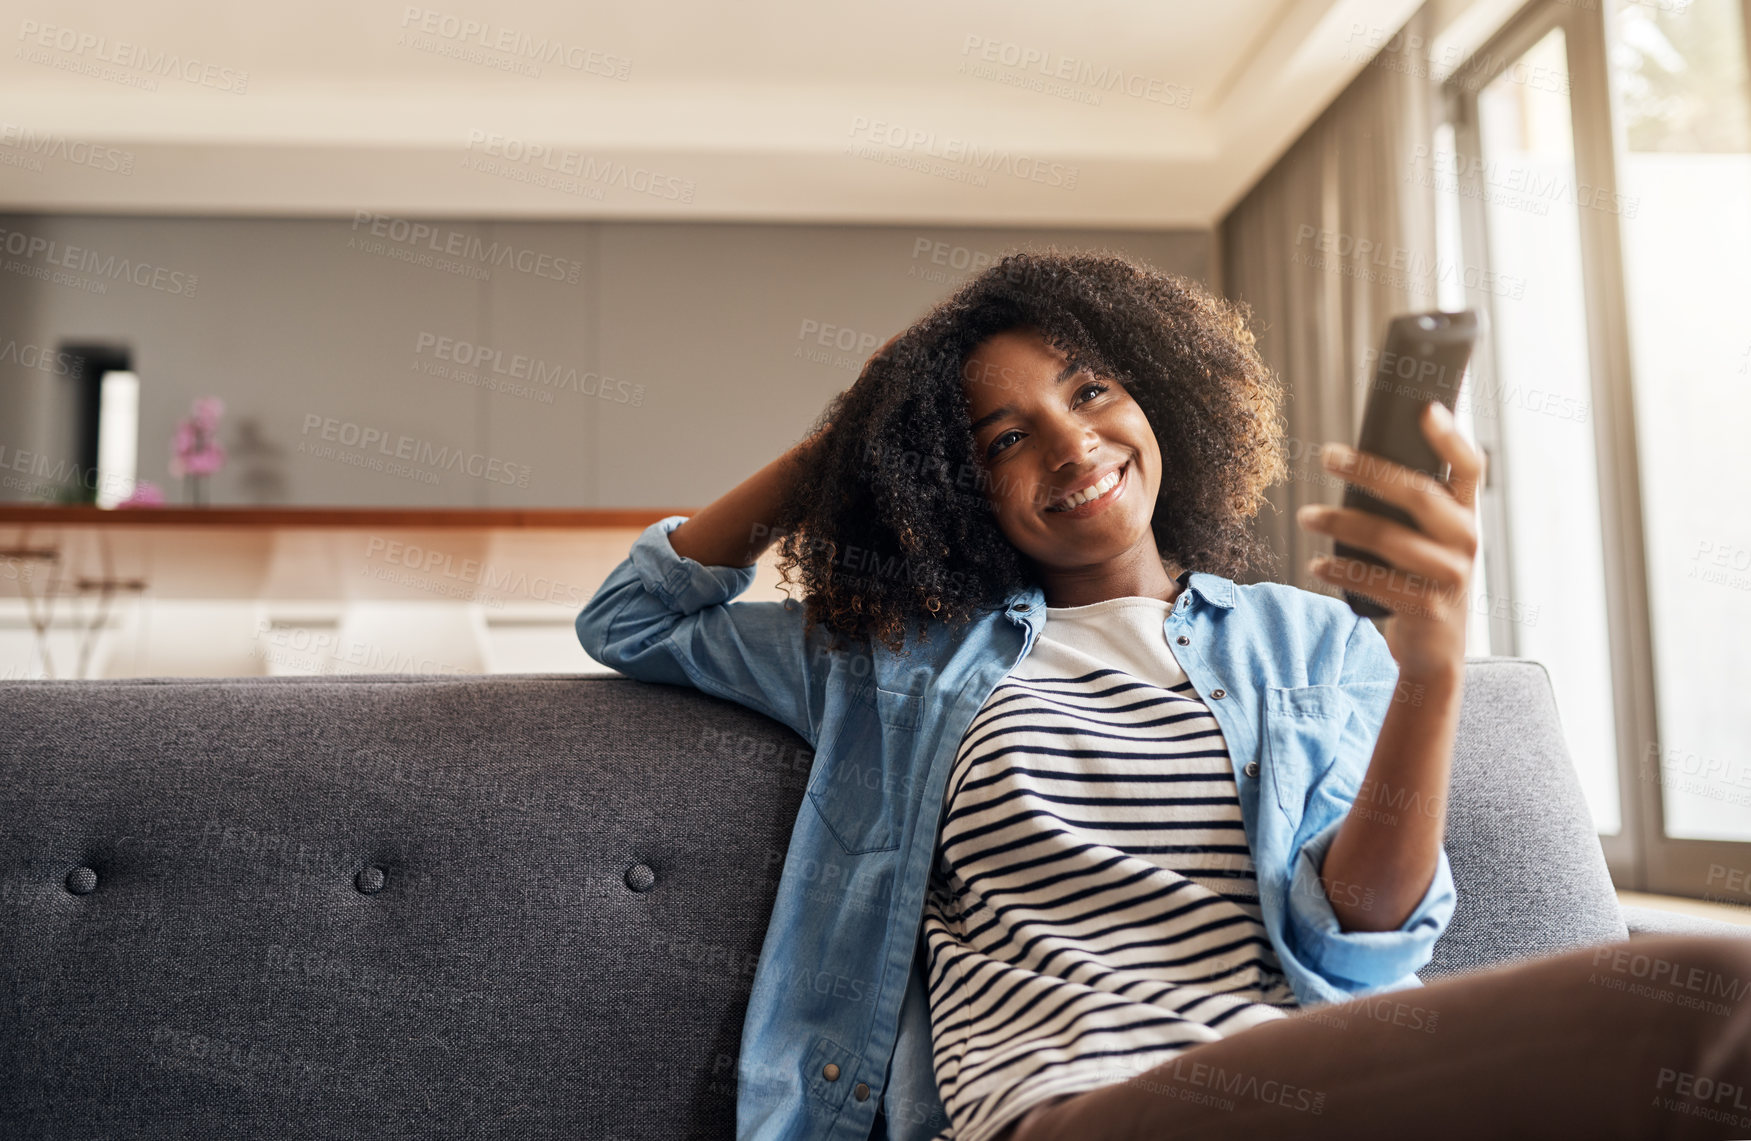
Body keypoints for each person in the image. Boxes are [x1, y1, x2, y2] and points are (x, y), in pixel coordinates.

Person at [577, 249, 1751, 1141]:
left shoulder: (1307, 640)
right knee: (1715, 1002)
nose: (1070, 443)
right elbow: (632, 617)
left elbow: (1356, 947)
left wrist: (1429, 671)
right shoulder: (892, 657)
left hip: (1291, 1079)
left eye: (1089, 390)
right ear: (951, 486)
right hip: (1059, 1105)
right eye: (999, 439)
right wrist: (856, 435)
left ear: (1160, 396)